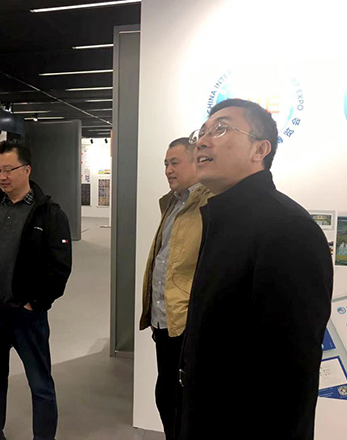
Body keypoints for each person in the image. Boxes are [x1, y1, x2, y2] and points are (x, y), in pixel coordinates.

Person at [178, 99, 333, 440]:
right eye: (201, 132)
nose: (202, 142)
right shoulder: (222, 218)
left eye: (221, 129)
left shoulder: (288, 228)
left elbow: (290, 370)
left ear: (260, 150)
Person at [0, 139, 72, 440]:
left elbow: (59, 266)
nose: (2, 176)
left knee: (40, 384)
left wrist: (36, 302)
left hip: (26, 315)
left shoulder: (49, 213)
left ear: (27, 170)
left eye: (9, 169)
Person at [139, 137, 212, 440]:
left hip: (186, 323)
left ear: (197, 162)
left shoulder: (209, 205)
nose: (168, 170)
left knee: (184, 400)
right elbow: (165, 259)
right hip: (163, 320)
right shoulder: (173, 202)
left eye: (175, 163)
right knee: (166, 395)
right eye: (166, 164)